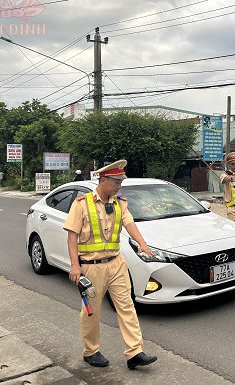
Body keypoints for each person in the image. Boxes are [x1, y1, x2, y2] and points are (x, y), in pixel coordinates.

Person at [63, 159, 158, 370]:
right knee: (92, 311)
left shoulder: (119, 202)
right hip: (91, 266)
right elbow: (72, 237)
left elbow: (129, 224)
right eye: (116, 181)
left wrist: (142, 244)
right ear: (104, 180)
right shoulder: (82, 204)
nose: (119, 185)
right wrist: (75, 266)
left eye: (121, 181)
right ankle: (91, 351)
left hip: (116, 263)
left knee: (126, 306)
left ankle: (134, 352)